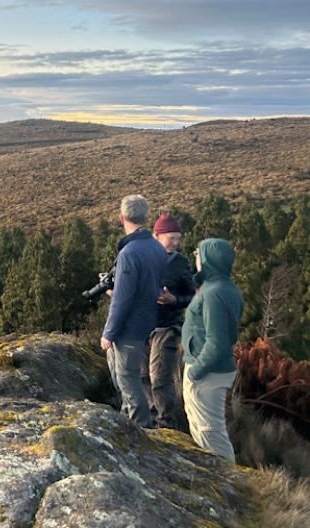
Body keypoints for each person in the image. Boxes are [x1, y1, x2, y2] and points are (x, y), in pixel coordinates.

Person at [101, 194, 168, 428]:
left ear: (121, 218)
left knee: (128, 380)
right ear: (145, 216)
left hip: (129, 328)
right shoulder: (156, 248)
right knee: (131, 378)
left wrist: (108, 333)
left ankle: (140, 429)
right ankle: (130, 421)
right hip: (147, 322)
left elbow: (123, 299)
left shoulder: (129, 253)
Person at [182, 238, 244, 461]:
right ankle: (219, 480)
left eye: (198, 253)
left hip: (207, 372)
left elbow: (217, 341)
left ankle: (229, 484)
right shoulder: (224, 288)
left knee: (210, 433)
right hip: (212, 369)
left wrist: (194, 371)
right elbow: (231, 335)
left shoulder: (213, 293)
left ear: (208, 258)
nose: (196, 257)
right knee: (203, 429)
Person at [143, 212, 196, 429]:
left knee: (159, 378)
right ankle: (149, 420)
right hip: (142, 326)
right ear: (157, 236)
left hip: (167, 327)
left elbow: (193, 296)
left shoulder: (180, 262)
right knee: (141, 377)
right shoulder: (142, 258)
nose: (176, 242)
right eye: (171, 237)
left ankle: (166, 425)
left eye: (178, 237)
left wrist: (175, 300)